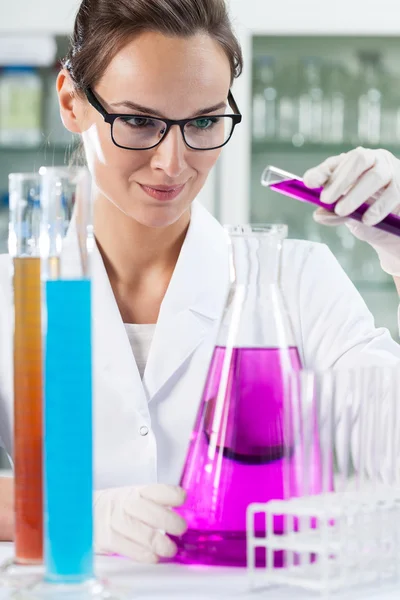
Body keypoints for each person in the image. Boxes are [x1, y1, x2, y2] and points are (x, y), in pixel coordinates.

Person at [0, 0, 400, 563]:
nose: (173, 161)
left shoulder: (297, 279)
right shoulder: (11, 292)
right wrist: (76, 513)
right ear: (71, 102)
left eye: (204, 122)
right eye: (139, 121)